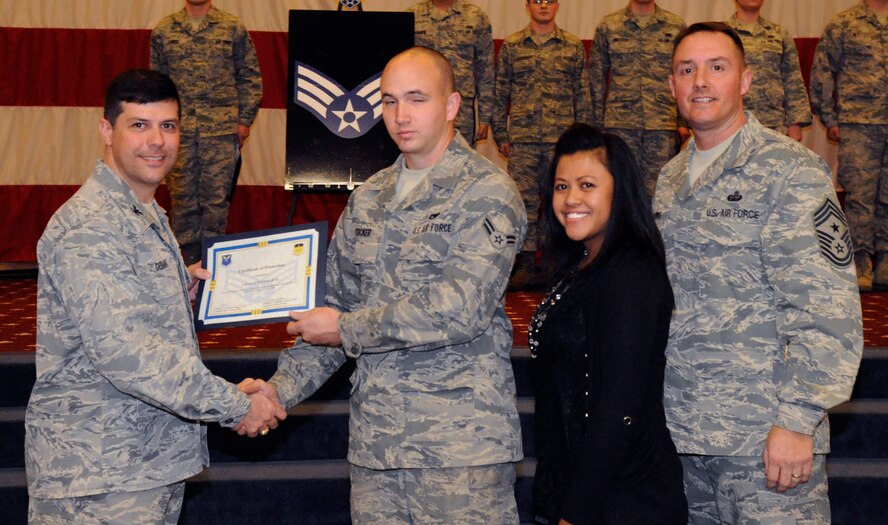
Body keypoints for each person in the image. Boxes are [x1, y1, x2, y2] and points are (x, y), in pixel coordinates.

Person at [242, 47, 527, 524]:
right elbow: (330, 317)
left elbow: (459, 309)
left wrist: (346, 328)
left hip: (459, 450)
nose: (400, 115)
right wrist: (274, 393)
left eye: (416, 99)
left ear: (452, 105)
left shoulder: (487, 190)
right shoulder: (369, 197)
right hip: (377, 451)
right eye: (389, 101)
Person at [25, 69, 285, 524]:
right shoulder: (91, 225)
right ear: (107, 130)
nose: (156, 141)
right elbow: (132, 357)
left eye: (168, 126)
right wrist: (236, 405)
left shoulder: (142, 211)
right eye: (139, 125)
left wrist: (174, 287)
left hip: (144, 466)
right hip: (98, 476)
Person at [655, 23, 863, 523]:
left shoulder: (792, 170)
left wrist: (797, 422)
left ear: (745, 82)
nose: (700, 81)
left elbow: (827, 309)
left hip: (764, 437)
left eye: (717, 67)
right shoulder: (670, 178)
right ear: (672, 87)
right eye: (687, 70)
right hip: (686, 432)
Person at [529, 123, 687, 525]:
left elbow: (618, 408)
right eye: (561, 187)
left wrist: (574, 514)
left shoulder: (630, 272)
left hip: (623, 499)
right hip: (575, 488)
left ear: (620, 191)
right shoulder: (580, 264)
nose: (570, 200)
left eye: (586, 185)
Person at [150, 0, 263, 265]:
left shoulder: (232, 27)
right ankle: (187, 270)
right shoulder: (165, 30)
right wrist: (161, 127)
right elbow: (158, 85)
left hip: (221, 132)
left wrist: (244, 120)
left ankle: (214, 269)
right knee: (183, 204)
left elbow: (250, 76)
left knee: (215, 205)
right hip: (179, 132)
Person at [493, 0, 592, 290]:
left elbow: (581, 94)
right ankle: (524, 263)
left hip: (561, 142)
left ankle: (553, 264)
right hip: (523, 140)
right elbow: (502, 92)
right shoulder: (513, 46)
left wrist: (583, 141)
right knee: (522, 204)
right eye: (537, 1)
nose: (543, 6)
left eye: (549, 0)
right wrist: (502, 134)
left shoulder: (572, 46)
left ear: (557, 5)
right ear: (527, 6)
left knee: (558, 204)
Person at [810, 0, 888, 291]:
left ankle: (886, 260)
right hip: (858, 122)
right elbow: (822, 70)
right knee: (860, 196)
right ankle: (861, 261)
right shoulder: (844, 23)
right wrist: (829, 116)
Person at [589, 0, 688, 198]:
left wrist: (682, 120)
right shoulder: (609, 25)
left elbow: (683, 74)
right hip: (620, 125)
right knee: (620, 191)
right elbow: (596, 78)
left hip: (661, 125)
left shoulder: (675, 26)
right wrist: (596, 126)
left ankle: (654, 231)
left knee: (660, 192)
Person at [407, 0, 494, 144]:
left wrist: (485, 118)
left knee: (461, 160)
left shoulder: (475, 16)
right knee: (420, 157)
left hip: (461, 110)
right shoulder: (412, 15)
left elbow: (486, 71)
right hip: (420, 107)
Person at [725, 0, 811, 140]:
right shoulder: (722, 34)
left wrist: (795, 123)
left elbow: (792, 78)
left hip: (773, 124)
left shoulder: (778, 34)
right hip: (730, 123)